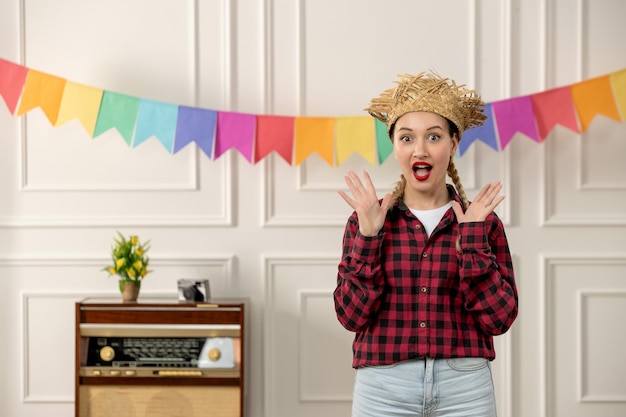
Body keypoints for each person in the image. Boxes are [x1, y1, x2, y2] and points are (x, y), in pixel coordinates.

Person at [333, 71, 518, 417]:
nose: (420, 149)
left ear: (453, 143)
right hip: (383, 387)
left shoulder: (483, 223)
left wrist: (474, 244)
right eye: (407, 138)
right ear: (395, 146)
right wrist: (369, 238)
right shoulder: (369, 220)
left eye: (433, 136)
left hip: (465, 387)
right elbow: (351, 315)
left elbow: (500, 319)